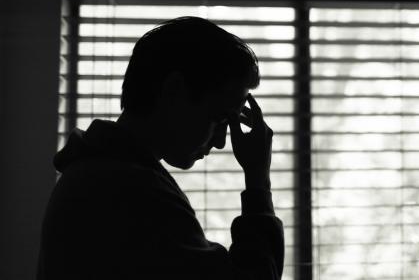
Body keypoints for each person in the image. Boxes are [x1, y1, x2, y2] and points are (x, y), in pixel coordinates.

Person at [37, 17, 284, 279]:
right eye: (220, 118)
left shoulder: (95, 172)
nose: (222, 141)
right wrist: (257, 179)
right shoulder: (133, 191)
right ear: (174, 90)